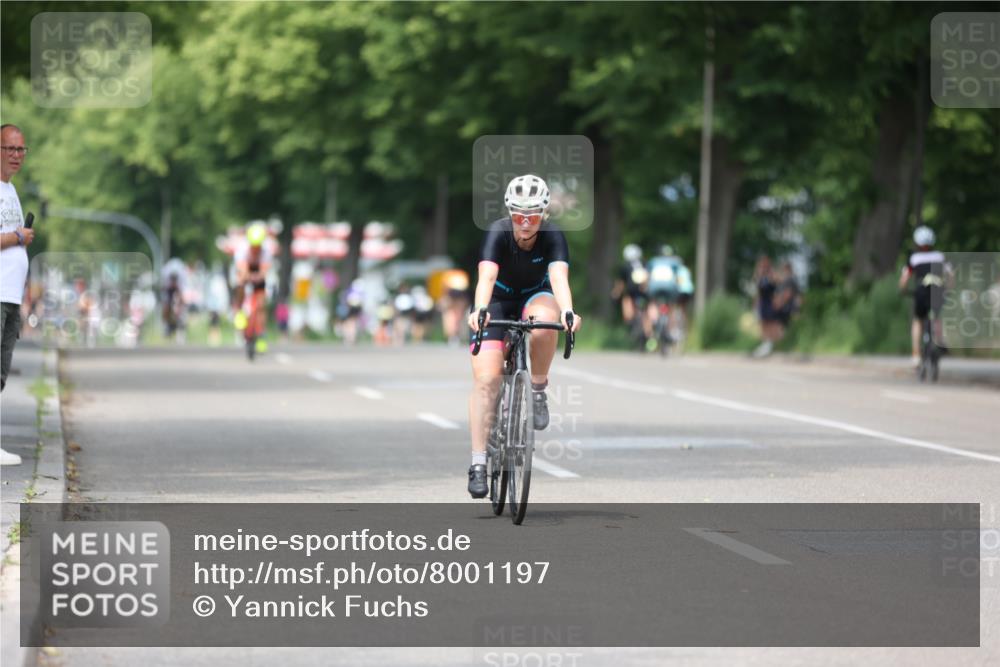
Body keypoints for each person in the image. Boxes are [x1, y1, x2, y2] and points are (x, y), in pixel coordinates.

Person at [465, 174, 582, 498]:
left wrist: (568, 312)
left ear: (544, 213)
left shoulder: (553, 235)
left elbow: (559, 278)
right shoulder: (498, 232)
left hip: (535, 297)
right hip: (498, 301)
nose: (525, 221)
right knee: (487, 381)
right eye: (518, 214)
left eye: (532, 214)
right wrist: (480, 309)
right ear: (509, 212)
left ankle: (539, 388)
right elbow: (486, 276)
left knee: (546, 321)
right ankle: (477, 463)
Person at [1, 124, 32, 466]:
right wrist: (19, 237)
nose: (16, 155)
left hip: (10, 296)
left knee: (1, 371)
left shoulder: (10, 190)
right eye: (9, 148)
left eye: (21, 149)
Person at [899, 226, 951, 368]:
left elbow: (904, 279)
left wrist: (903, 290)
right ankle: (940, 340)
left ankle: (916, 356)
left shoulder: (914, 258)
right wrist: (949, 289)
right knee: (936, 317)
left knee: (917, 321)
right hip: (937, 289)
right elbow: (951, 276)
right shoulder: (940, 256)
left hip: (921, 291)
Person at [233, 223, 273, 354]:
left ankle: (261, 333)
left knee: (261, 304)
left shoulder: (266, 251)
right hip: (245, 269)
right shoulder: (242, 250)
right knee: (240, 283)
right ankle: (239, 311)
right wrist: (247, 277)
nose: (256, 248)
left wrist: (259, 276)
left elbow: (264, 271)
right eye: (253, 246)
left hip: (258, 272)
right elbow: (243, 270)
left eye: (258, 246)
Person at [645, 245, 683, 351]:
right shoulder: (674, 262)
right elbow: (678, 277)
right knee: (671, 307)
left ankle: (654, 320)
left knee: (653, 303)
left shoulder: (653, 261)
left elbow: (648, 276)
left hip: (655, 286)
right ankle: (672, 330)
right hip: (670, 287)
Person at [611, 244, 649, 344]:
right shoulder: (644, 264)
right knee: (645, 313)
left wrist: (616, 293)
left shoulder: (625, 266)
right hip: (643, 293)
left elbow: (621, 283)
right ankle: (648, 334)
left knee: (627, 306)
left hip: (631, 293)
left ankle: (631, 323)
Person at [752, 255, 778, 358]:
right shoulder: (760, 277)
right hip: (762, 302)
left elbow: (776, 283)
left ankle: (769, 344)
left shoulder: (771, 275)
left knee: (769, 322)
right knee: (763, 322)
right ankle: (765, 343)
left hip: (769, 301)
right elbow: (758, 290)